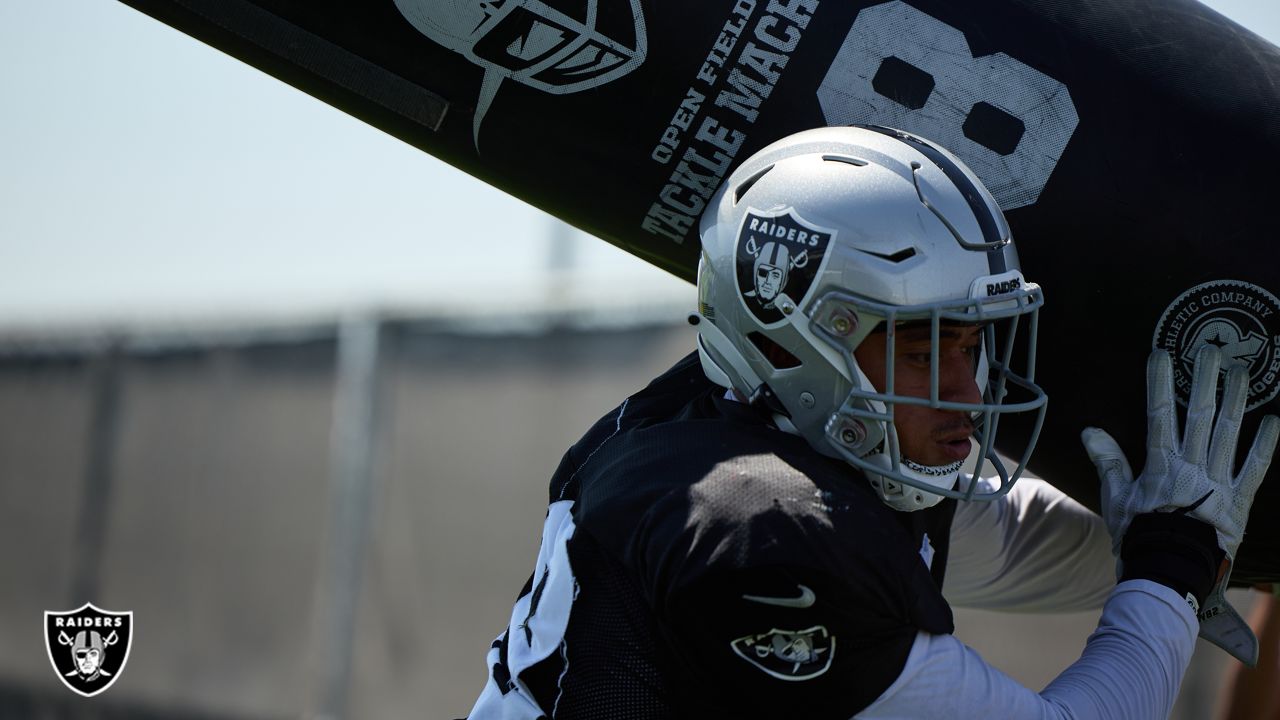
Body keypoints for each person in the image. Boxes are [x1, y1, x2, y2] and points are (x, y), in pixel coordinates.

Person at [465, 125, 1279, 719]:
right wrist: (1172, 576)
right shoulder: (763, 531)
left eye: (973, 345)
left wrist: (1204, 545)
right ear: (795, 342)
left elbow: (1023, 544)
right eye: (927, 353)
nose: (968, 394)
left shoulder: (741, 428)